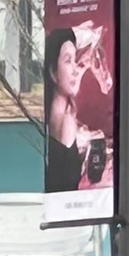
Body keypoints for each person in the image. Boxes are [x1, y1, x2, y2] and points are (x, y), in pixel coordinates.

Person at [43, 24, 113, 197]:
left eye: (75, 60)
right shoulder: (65, 118)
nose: (75, 69)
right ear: (52, 72)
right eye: (68, 61)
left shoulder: (61, 114)